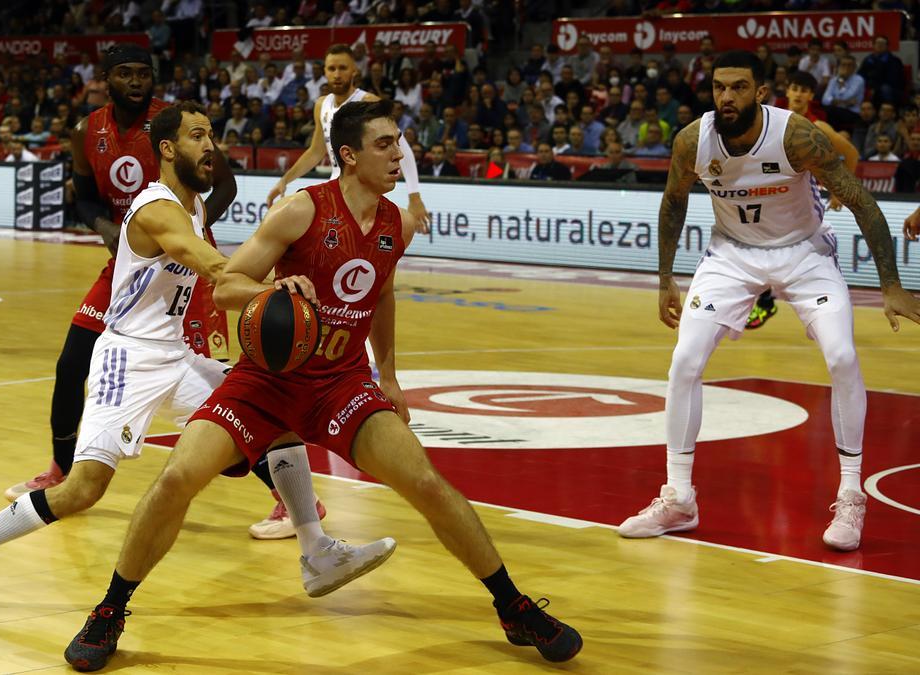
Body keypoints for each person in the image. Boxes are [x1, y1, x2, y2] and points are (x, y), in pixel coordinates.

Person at [61, 99, 583, 671]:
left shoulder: (395, 224)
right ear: (351, 155)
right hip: (268, 381)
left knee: (427, 484)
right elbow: (230, 285)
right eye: (385, 144)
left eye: (399, 141)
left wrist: (390, 373)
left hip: (342, 380)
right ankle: (110, 610)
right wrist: (274, 293)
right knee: (176, 479)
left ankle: (512, 606)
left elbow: (380, 292)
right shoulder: (300, 210)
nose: (398, 153)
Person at [0, 102, 372, 616]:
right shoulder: (156, 207)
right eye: (198, 136)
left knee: (275, 416)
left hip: (175, 356)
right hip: (127, 357)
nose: (211, 146)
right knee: (83, 489)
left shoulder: (196, 204)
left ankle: (316, 550)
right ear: (167, 148)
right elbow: (204, 261)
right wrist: (269, 286)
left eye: (212, 135)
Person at [3, 46, 309, 540]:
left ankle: (306, 524)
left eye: (143, 73)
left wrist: (198, 233)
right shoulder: (92, 132)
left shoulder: (179, 131)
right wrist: (113, 226)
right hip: (140, 283)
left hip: (183, 271)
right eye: (125, 73)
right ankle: (56, 475)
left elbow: (219, 194)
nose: (135, 81)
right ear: (107, 80)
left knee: (249, 400)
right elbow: (82, 196)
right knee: (71, 368)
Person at [619, 51, 920, 552]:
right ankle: (678, 498)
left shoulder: (796, 134)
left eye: (738, 87)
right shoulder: (694, 139)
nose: (726, 97)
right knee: (684, 361)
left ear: (761, 92)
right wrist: (665, 278)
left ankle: (850, 496)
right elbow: (673, 202)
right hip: (731, 255)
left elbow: (863, 202)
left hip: (804, 253)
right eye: (718, 87)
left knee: (842, 357)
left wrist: (890, 284)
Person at [266, 44, 429, 233]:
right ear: (324, 72)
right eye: (331, 68)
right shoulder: (321, 104)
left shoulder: (368, 102)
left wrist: (414, 196)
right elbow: (316, 151)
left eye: (342, 68)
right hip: (336, 186)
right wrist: (285, 181)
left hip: (361, 191)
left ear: (354, 70)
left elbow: (402, 147)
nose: (336, 74)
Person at [749, 70, 862, 330]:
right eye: (794, 88)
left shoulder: (817, 127)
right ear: (786, 91)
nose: (798, 94)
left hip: (803, 203)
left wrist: (838, 191)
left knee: (806, 256)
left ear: (811, 95)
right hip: (773, 198)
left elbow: (851, 154)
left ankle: (827, 309)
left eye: (804, 90)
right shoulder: (768, 120)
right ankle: (767, 303)